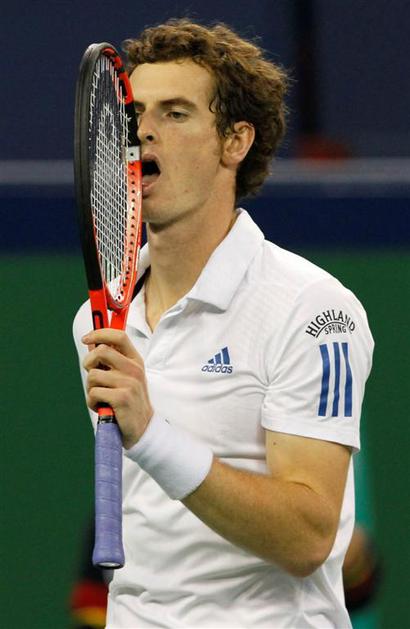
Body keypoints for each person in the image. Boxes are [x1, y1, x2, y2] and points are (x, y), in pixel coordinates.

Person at [73, 19, 374, 628]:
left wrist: (150, 434)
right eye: (136, 113)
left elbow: (308, 538)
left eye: (176, 113)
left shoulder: (314, 309)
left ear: (235, 142)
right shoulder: (97, 319)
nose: (144, 130)